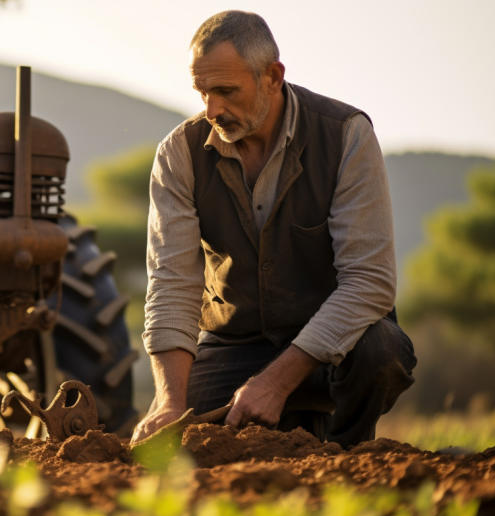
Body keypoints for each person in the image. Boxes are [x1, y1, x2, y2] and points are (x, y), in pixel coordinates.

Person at [130, 10, 417, 449]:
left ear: (273, 76)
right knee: (182, 446)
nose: (212, 109)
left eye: (226, 91)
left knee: (379, 349)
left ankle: (350, 458)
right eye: (202, 92)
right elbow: (171, 283)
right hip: (235, 345)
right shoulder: (179, 153)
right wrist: (169, 400)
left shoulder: (346, 135)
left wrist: (276, 383)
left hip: (336, 349)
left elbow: (370, 283)